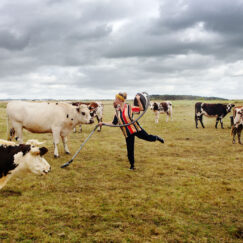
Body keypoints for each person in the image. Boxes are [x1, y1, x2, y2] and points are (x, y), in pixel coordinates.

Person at [99, 92, 164, 170]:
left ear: (120, 100)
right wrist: (103, 123)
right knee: (130, 149)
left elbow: (141, 109)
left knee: (147, 137)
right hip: (127, 132)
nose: (115, 100)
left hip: (135, 128)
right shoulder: (117, 111)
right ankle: (132, 166)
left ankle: (156, 138)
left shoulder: (129, 107)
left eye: (116, 99)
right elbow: (113, 123)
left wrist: (138, 100)